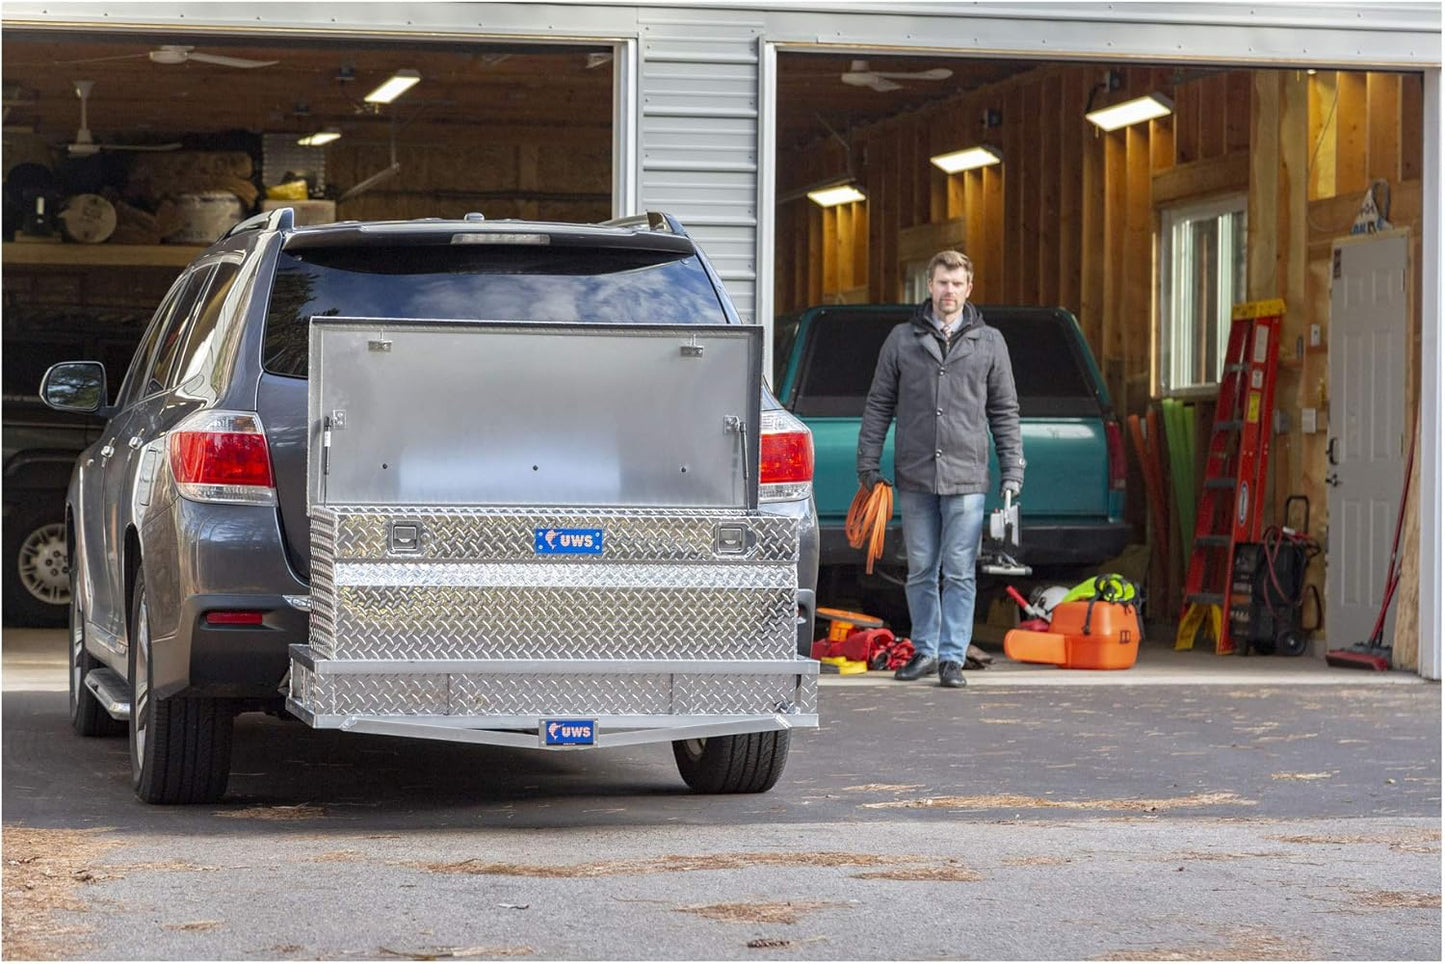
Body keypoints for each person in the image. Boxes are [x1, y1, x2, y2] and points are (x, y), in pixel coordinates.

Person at [856, 250, 1024, 688]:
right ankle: (926, 651)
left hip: (967, 477)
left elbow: (1005, 411)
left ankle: (952, 657)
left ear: (969, 288)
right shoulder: (901, 340)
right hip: (914, 475)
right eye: (941, 283)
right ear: (929, 286)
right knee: (922, 567)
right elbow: (878, 405)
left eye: (956, 283)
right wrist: (867, 464)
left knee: (959, 568)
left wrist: (1013, 471)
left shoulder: (990, 343)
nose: (948, 291)